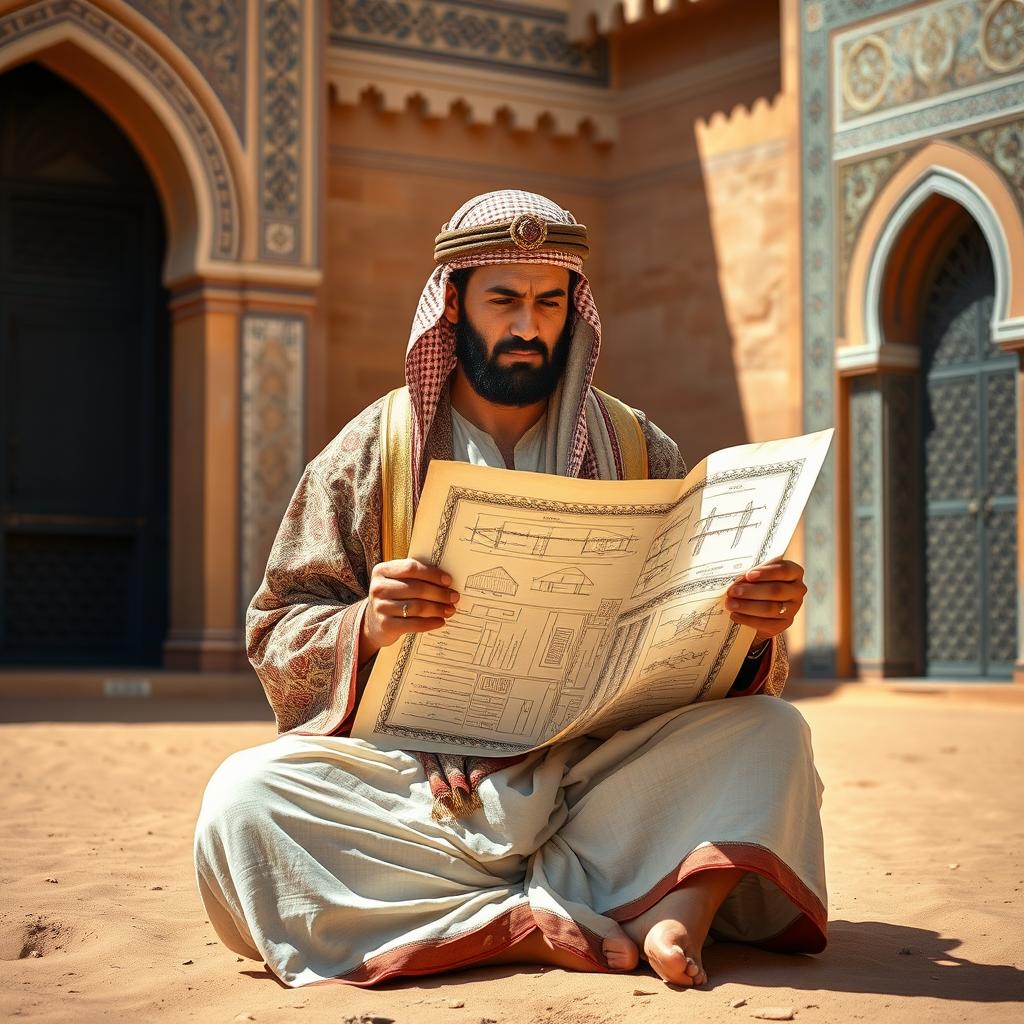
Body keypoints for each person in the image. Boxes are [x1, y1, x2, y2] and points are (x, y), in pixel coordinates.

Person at [193, 190, 826, 990]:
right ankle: (534, 922)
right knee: (241, 800)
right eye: (504, 300)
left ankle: (679, 912)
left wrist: (752, 626)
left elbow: (712, 650)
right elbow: (277, 626)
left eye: (549, 302)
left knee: (771, 732)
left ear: (575, 312)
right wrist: (367, 624)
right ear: (453, 303)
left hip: (605, 776)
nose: (528, 326)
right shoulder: (371, 452)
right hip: (428, 790)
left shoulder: (638, 446)